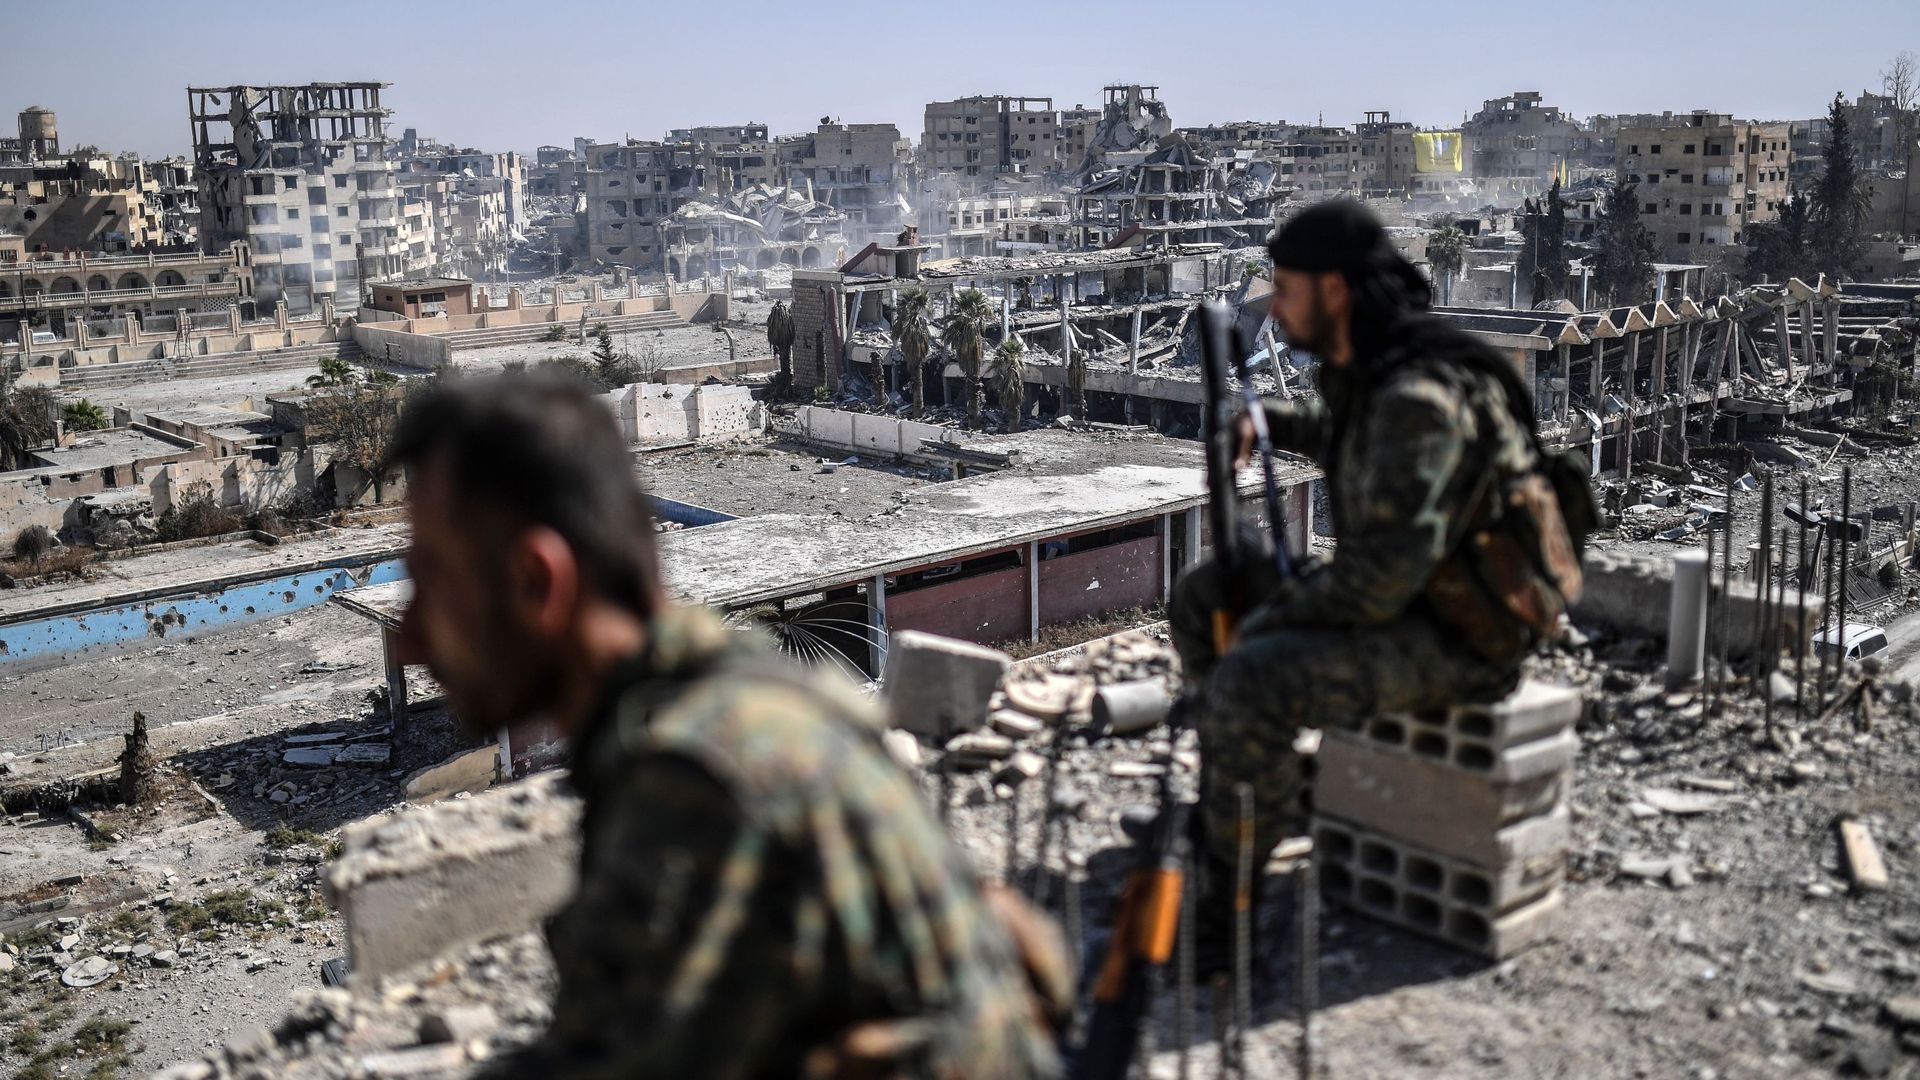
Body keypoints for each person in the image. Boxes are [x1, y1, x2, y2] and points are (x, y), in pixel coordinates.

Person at [387, 373, 1060, 1078]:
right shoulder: (745, 693)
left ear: (536, 581)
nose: (409, 640)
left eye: (433, 585)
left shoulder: (696, 776)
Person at [1170, 200, 1583, 936]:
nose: (1275, 304)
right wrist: (1264, 424)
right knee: (1208, 597)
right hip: (1415, 603)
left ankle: (1222, 902)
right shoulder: (1381, 373)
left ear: (1334, 291)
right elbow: (1352, 442)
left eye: (1287, 288)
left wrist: (1274, 620)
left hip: (1460, 636)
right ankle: (1262, 788)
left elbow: (1376, 581)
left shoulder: (1414, 397)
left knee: (1251, 674)